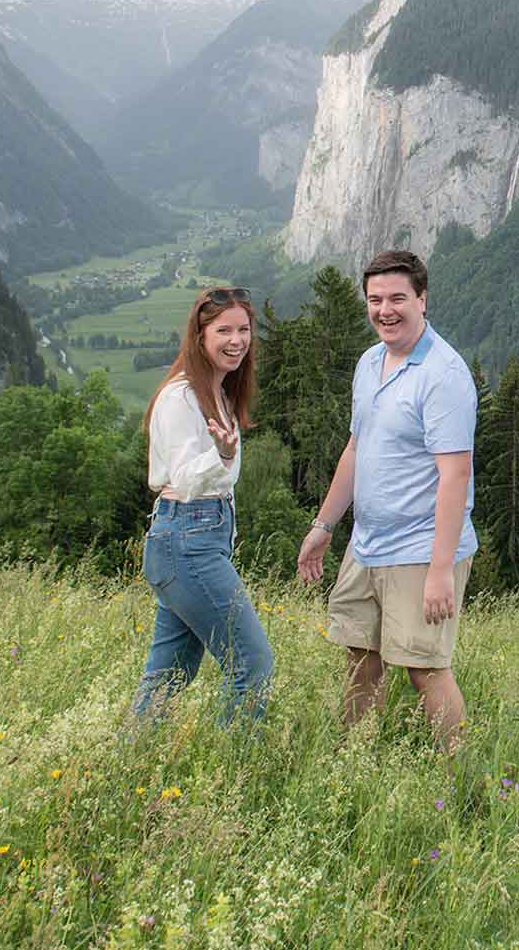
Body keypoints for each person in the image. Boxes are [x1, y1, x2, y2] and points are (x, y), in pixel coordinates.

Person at [297, 250, 477, 749]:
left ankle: (461, 782)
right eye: (375, 300)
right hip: (366, 544)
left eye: (398, 298)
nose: (385, 310)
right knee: (360, 656)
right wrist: (324, 526)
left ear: (422, 299)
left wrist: (441, 569)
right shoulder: (370, 362)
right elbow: (357, 449)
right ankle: (356, 765)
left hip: (421, 548)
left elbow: (455, 475)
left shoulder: (444, 375)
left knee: (426, 669)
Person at [129, 286, 273, 725]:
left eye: (244, 329)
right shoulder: (181, 397)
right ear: (200, 337)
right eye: (223, 330)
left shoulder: (221, 393)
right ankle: (235, 774)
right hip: (187, 537)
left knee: (169, 675)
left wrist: (223, 456)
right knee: (252, 664)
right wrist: (222, 455)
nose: (236, 340)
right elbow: (186, 479)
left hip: (195, 539)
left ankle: (129, 762)